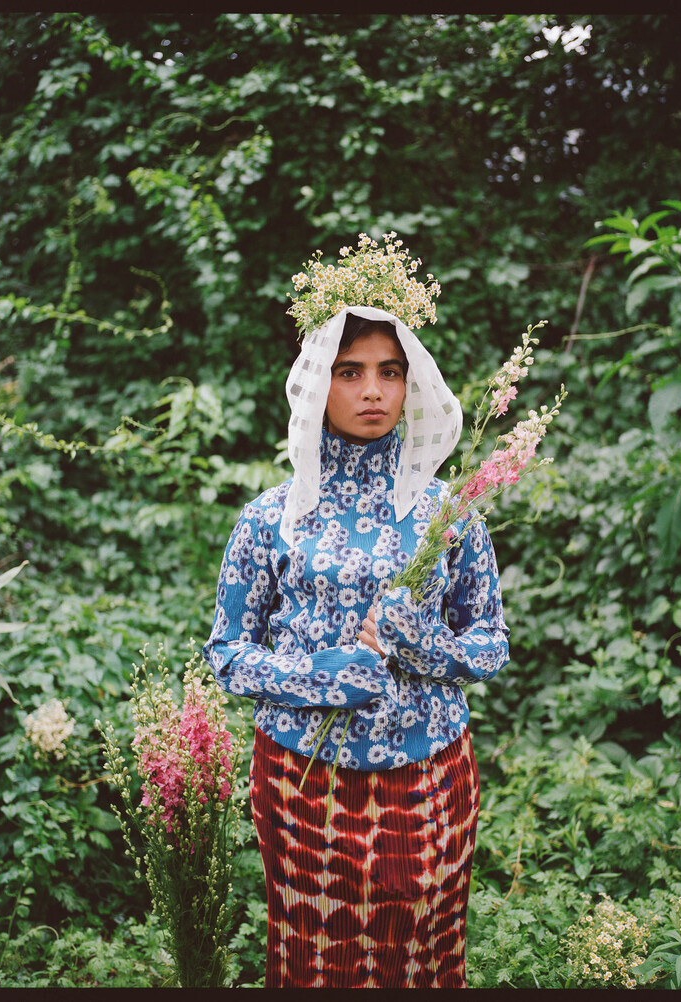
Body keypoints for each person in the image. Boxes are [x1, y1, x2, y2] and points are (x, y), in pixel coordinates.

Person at [203, 240, 510, 988]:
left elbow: (492, 643)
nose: (373, 390)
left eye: (390, 371)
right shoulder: (271, 517)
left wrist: (422, 644)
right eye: (351, 372)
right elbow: (228, 652)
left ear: (412, 383)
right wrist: (317, 675)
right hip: (303, 790)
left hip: (430, 781)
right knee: (314, 960)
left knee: (423, 959)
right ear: (318, 384)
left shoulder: (449, 513)